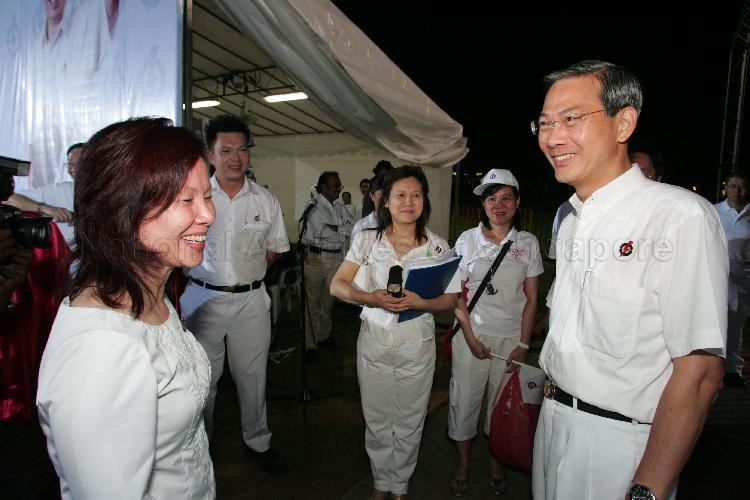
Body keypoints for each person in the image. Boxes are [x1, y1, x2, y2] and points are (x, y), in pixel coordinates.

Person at [531, 60, 727, 500]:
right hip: (550, 424)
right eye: (544, 123)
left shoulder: (678, 218)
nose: (553, 136)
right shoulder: (571, 223)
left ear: (624, 122)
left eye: (572, 119)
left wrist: (648, 489)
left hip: (622, 446)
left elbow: (699, 373)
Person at [36, 117, 217, 499]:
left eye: (208, 196)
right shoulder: (100, 350)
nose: (208, 215)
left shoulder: (147, 291)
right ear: (124, 208)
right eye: (187, 200)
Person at [330, 165, 460, 500]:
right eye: (400, 195)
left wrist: (423, 301)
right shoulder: (367, 240)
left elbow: (451, 298)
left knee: (410, 420)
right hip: (373, 341)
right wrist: (370, 297)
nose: (408, 201)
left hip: (416, 346)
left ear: (424, 201)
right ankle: (380, 482)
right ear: (385, 201)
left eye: (416, 194)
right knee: (376, 418)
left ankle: (399, 485)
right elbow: (338, 285)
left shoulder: (437, 246)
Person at [179, 114, 290, 474]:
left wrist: (246, 271)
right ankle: (200, 450)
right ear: (210, 155)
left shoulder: (265, 200)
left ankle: (258, 443)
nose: (235, 157)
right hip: (202, 300)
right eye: (225, 150)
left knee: (253, 378)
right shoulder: (193, 198)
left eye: (242, 149)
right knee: (202, 383)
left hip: (251, 302)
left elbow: (275, 249)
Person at [448, 168, 543, 496]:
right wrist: (472, 339)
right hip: (470, 337)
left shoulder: (527, 243)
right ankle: (463, 462)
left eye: (506, 198)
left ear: (517, 203)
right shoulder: (467, 239)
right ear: (483, 205)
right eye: (492, 198)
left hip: (509, 341)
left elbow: (532, 299)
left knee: (499, 407)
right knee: (464, 401)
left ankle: (496, 461)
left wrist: (523, 344)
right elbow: (456, 294)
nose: (498, 205)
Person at [302, 171, 346, 357]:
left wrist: (338, 229)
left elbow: (352, 227)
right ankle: (309, 344)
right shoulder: (313, 206)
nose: (339, 188)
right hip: (316, 259)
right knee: (312, 303)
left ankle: (323, 335)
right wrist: (342, 230)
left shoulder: (338, 207)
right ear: (323, 188)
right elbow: (323, 232)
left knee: (328, 303)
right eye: (335, 185)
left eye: (339, 184)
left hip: (335, 258)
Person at [5, 143, 82, 246]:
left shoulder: (107, 192)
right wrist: (44, 208)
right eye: (70, 163)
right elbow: (8, 198)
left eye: (80, 162)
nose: (74, 168)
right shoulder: (60, 190)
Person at [715, 170, 750, 387]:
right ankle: (713, 367)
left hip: (742, 278)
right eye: (733, 186)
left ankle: (733, 370)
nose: (737, 191)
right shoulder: (714, 211)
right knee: (717, 322)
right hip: (717, 274)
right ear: (726, 188)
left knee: (736, 324)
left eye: (742, 187)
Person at [351, 173, 385, 241]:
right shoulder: (361, 226)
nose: (386, 200)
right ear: (372, 195)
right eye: (381, 195)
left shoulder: (399, 225)